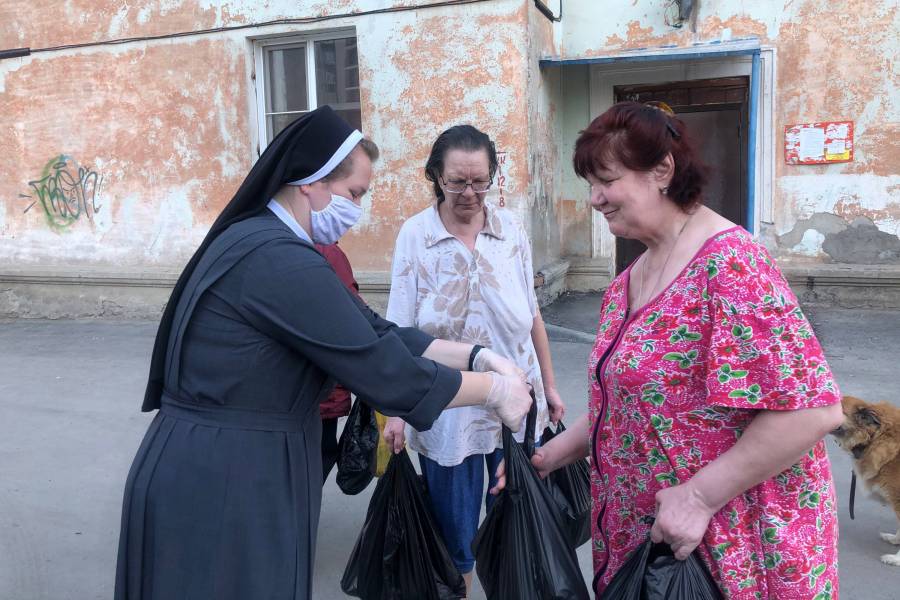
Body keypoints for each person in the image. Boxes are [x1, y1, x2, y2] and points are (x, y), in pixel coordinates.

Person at [114, 106, 534, 600]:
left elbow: (373, 329)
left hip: (224, 458)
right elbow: (381, 369)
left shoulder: (264, 242)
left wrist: (477, 356)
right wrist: (495, 390)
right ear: (309, 183)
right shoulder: (278, 259)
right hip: (228, 472)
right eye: (354, 193)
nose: (357, 209)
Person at [493, 101, 843, 598]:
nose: (595, 198)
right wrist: (548, 457)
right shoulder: (630, 279)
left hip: (730, 547)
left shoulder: (730, 264)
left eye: (607, 180)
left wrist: (698, 497)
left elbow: (811, 411)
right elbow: (624, 409)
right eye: (589, 184)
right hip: (647, 542)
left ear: (662, 170)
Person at [381, 124, 565, 596]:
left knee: (516, 517)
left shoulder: (511, 230)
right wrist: (398, 413)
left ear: (492, 177)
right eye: (456, 181)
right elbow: (399, 332)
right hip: (448, 406)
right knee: (456, 528)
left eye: (479, 181)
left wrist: (550, 386)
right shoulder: (416, 236)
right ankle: (461, 587)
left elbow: (532, 317)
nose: (469, 193)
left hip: (517, 402)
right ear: (435, 177)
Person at [314, 241, 359, 482]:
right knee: (316, 460)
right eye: (353, 199)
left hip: (287, 394)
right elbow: (354, 318)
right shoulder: (326, 251)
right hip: (319, 390)